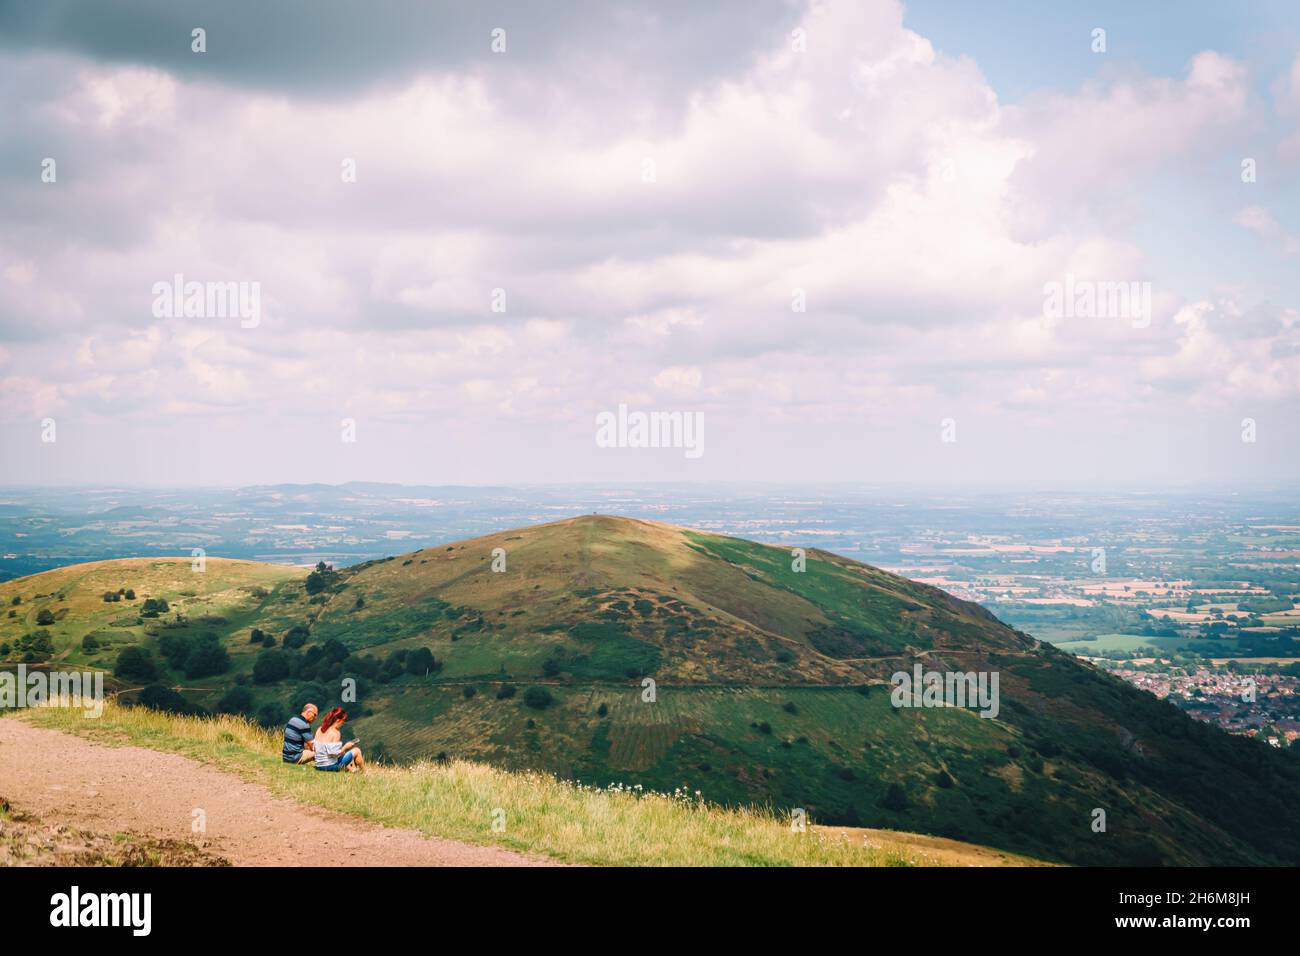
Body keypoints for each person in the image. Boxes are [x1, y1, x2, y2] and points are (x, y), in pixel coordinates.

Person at [313, 706, 364, 773]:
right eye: (343, 721)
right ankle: (364, 772)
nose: (343, 724)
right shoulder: (336, 733)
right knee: (357, 750)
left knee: (342, 754)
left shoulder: (320, 729)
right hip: (330, 767)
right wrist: (345, 747)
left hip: (318, 765)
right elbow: (334, 754)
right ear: (338, 720)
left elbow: (314, 748)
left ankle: (352, 770)